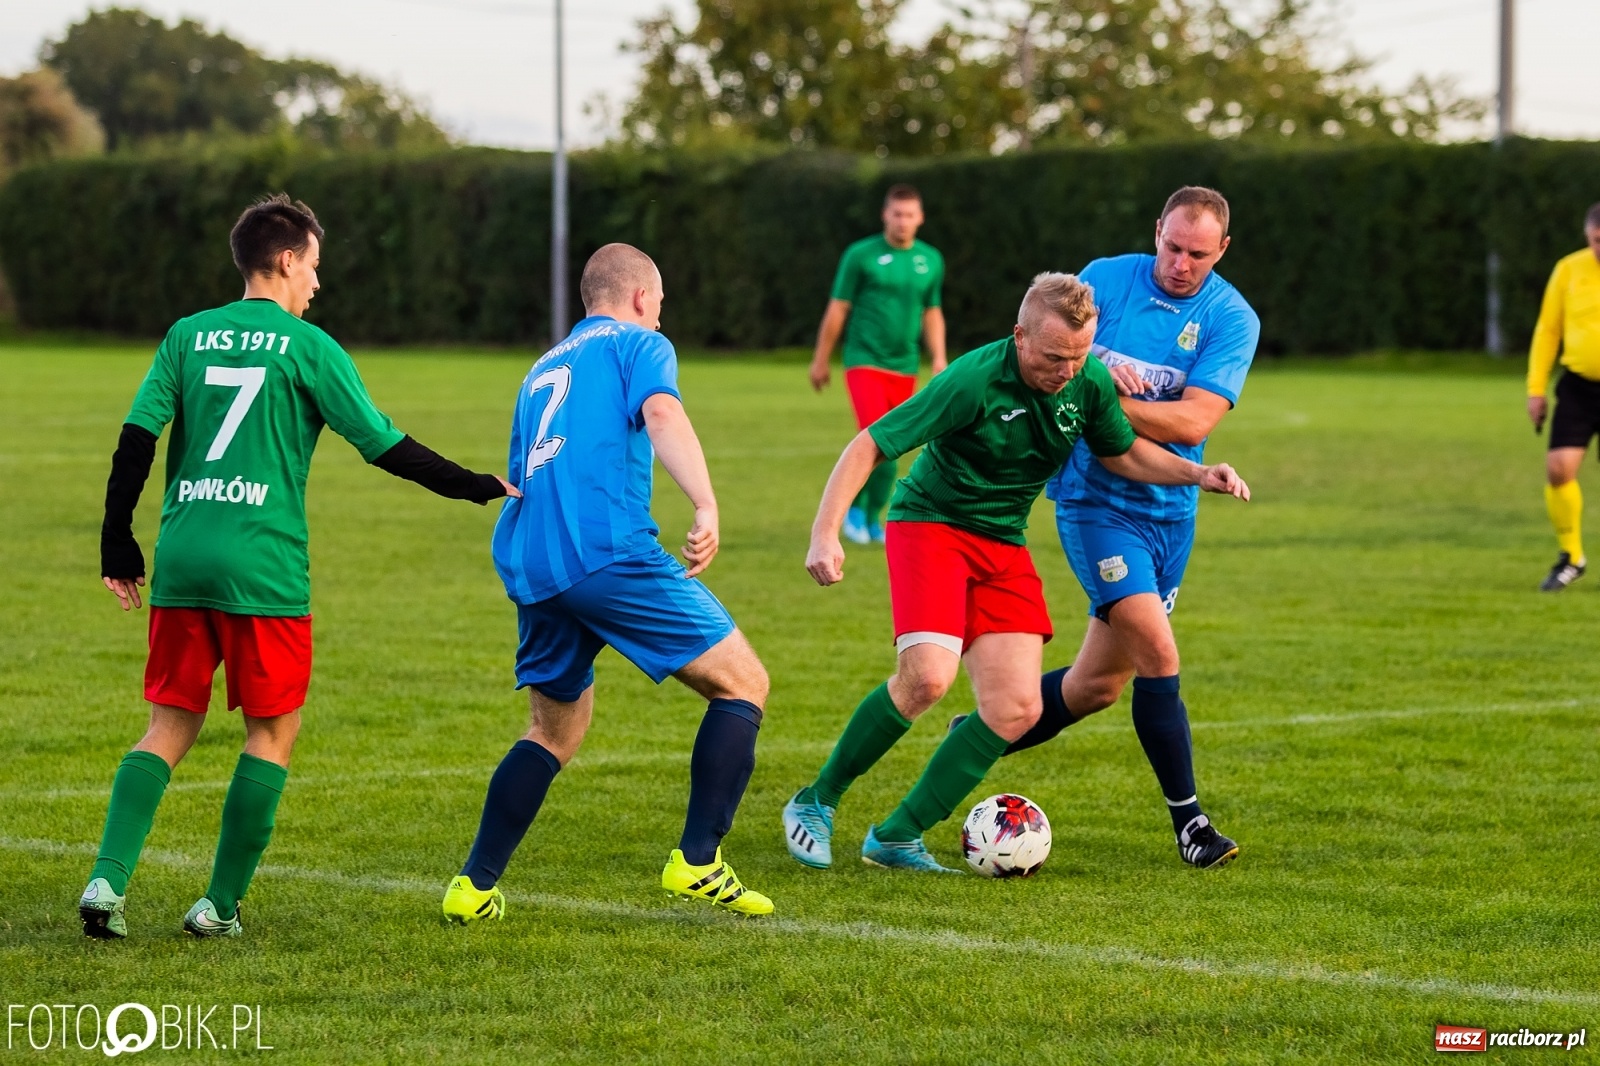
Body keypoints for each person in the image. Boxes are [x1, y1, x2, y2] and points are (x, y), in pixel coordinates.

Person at [81, 194, 515, 940]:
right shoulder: (311, 348)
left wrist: (117, 539)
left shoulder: (187, 335)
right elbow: (385, 446)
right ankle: (218, 907)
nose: (317, 283)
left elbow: (136, 438)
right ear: (286, 260)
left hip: (185, 559)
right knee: (271, 732)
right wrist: (477, 485)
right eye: (313, 266)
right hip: (265, 570)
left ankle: (105, 881)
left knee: (168, 725)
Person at [781, 273, 1250, 872]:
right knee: (927, 679)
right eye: (1055, 357)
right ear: (1020, 336)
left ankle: (897, 836)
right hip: (933, 525)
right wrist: (825, 534)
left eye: (1080, 356)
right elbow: (871, 444)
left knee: (1017, 709)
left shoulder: (1088, 382)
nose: (1067, 371)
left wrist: (1197, 473)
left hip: (1002, 543)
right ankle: (816, 801)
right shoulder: (974, 379)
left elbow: (1122, 451)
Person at [442, 243, 775, 922]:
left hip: (533, 565)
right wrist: (706, 504)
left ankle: (472, 887)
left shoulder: (541, 368)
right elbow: (663, 415)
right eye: (660, 307)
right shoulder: (639, 345)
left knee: (553, 732)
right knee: (744, 683)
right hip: (606, 553)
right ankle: (698, 863)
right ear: (643, 299)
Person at [974, 186, 1260, 871]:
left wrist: (1106, 394)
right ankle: (1192, 826)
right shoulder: (1102, 280)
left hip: (1171, 514)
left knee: (1094, 687)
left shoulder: (1231, 317)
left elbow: (1195, 423)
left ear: (1221, 250)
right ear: (1156, 230)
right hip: (1095, 504)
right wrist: (1098, 389)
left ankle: (974, 738)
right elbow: (1051, 367)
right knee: (1160, 655)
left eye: (1197, 253)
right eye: (1171, 246)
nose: (1180, 264)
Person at [809, 184, 947, 545]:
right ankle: (853, 512)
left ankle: (872, 518)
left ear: (920, 218)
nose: (902, 221)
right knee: (875, 437)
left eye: (909, 215)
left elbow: (932, 311)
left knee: (895, 445)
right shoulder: (860, 255)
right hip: (864, 360)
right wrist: (821, 359)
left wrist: (939, 357)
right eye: (896, 214)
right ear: (885, 215)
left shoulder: (930, 260)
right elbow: (838, 308)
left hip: (904, 366)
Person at [1527, 202, 1600, 592]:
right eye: (1597, 241)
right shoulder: (1569, 270)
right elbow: (1547, 331)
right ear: (1587, 236)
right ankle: (1572, 556)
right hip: (1580, 386)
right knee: (1559, 468)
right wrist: (1535, 389)